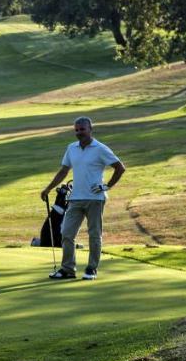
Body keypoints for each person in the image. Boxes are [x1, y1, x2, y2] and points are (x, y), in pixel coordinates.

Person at [40, 116, 126, 280]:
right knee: (66, 233)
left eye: (82, 129)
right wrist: (48, 188)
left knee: (94, 234)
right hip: (75, 198)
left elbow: (120, 168)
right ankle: (68, 269)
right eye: (76, 130)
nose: (79, 133)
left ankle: (91, 269)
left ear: (90, 129)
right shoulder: (71, 148)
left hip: (95, 199)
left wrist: (106, 186)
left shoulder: (100, 148)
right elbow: (64, 171)